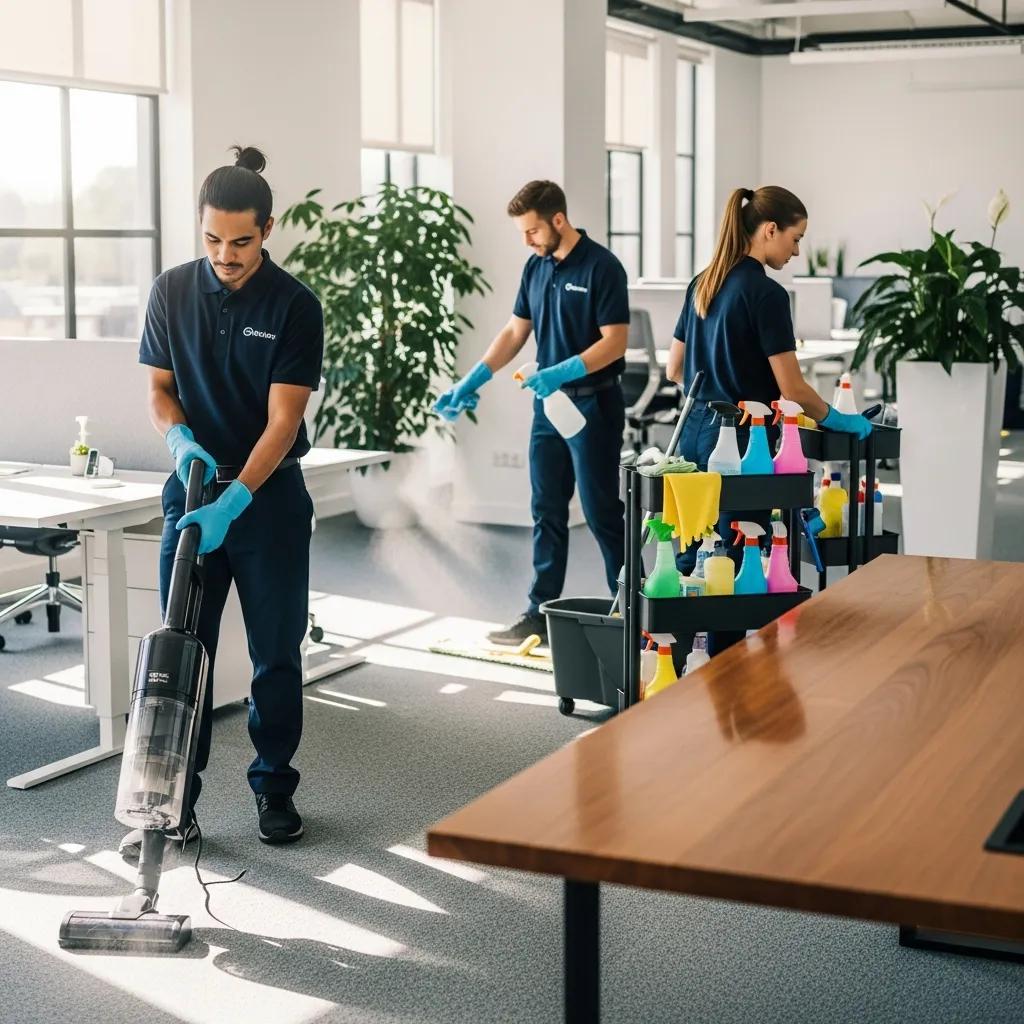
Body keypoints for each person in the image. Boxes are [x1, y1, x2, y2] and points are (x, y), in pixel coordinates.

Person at [123, 145, 324, 856]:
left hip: (263, 502)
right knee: (185, 653)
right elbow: (157, 390)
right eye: (212, 238)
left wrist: (238, 497)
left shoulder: (296, 306)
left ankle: (275, 790)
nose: (225, 254)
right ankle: (176, 800)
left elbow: (283, 422)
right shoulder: (171, 291)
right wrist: (179, 441)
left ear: (267, 229)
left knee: (275, 654)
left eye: (241, 241)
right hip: (193, 493)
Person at [666, 185, 871, 656]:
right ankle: (724, 674)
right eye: (795, 239)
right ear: (769, 229)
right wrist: (837, 419)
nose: (797, 251)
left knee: (689, 553)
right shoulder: (767, 294)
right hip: (744, 441)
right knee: (735, 560)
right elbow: (792, 388)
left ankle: (675, 668)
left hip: (694, 433)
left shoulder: (703, 282)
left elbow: (675, 369)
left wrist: (713, 391)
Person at [435, 180, 629, 645]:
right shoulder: (536, 267)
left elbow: (615, 341)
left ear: (558, 220)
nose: (527, 240)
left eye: (532, 230)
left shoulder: (603, 267)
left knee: (602, 511)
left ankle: (629, 605)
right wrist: (472, 379)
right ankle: (538, 612)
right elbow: (515, 332)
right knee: (545, 509)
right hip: (549, 407)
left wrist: (562, 370)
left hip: (594, 404)